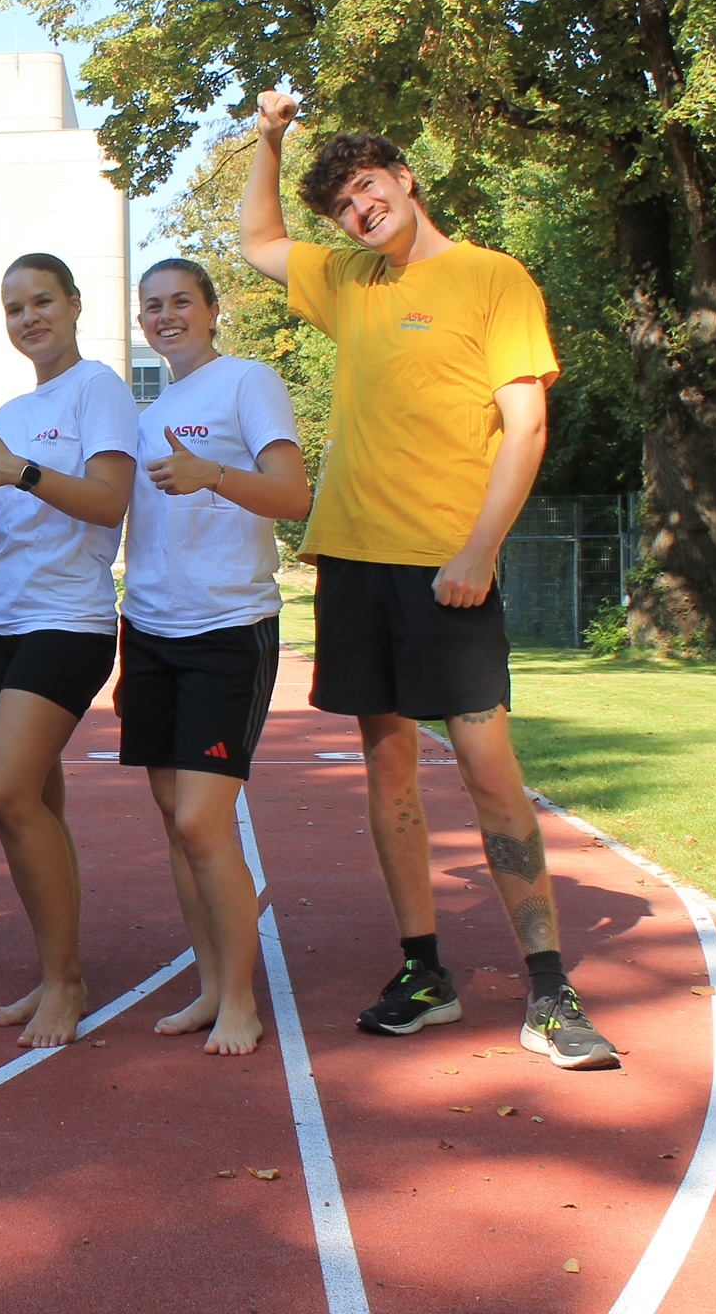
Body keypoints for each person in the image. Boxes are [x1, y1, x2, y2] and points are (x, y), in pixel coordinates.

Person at [238, 90, 620, 1070]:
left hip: (448, 569)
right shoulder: (350, 280)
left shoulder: (495, 279)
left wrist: (482, 547)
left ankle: (548, 987)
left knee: (492, 773)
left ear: (404, 179)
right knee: (389, 766)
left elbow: (526, 425)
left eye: (368, 192)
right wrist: (269, 140)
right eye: (346, 210)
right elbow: (256, 240)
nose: (361, 215)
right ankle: (425, 970)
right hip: (356, 563)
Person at [0, 253, 138, 1048]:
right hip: (1, 626)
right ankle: (55, 967)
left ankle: (66, 982)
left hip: (69, 623)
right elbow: (1, 538)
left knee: (6, 793)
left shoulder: (101, 390)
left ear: (74, 304)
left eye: (42, 301)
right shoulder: (11, 413)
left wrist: (19, 470)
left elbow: (108, 502)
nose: (29, 318)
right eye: (14, 306)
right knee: (37, 807)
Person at [117, 258, 312, 1057]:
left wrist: (212, 477)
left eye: (181, 303)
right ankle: (208, 985)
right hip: (152, 629)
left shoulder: (248, 381)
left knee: (203, 819)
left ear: (212, 309)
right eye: (153, 307)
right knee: (175, 820)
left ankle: (240, 997)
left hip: (228, 628)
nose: (166, 316)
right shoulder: (147, 410)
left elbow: (294, 496)